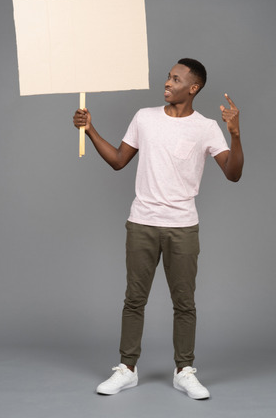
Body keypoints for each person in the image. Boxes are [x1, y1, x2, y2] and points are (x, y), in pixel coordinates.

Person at [73, 58, 244, 400]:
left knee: (184, 303)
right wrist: (90, 129)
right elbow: (119, 161)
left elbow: (233, 173)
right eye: (168, 76)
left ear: (193, 88)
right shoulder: (144, 117)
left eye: (176, 79)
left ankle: (184, 371)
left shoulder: (206, 127)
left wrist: (235, 133)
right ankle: (127, 369)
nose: (167, 83)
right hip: (142, 223)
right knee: (134, 299)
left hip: (182, 227)